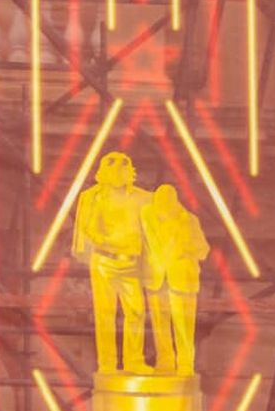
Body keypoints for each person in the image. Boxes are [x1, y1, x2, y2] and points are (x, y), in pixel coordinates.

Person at [71, 152, 152, 375]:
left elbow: (157, 226)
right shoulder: (92, 197)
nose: (119, 172)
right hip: (103, 261)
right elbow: (86, 228)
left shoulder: (143, 198)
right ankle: (107, 364)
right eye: (113, 168)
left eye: (123, 168)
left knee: (136, 312)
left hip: (130, 262)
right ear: (105, 172)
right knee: (105, 314)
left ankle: (134, 361)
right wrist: (105, 240)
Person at [141, 185, 210, 376]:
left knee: (183, 323)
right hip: (155, 278)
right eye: (159, 202)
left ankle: (185, 363)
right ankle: (165, 361)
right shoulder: (147, 217)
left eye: (166, 202)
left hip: (181, 278)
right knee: (159, 323)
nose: (161, 207)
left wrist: (184, 249)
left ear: (174, 202)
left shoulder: (188, 220)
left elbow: (203, 249)